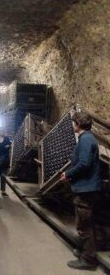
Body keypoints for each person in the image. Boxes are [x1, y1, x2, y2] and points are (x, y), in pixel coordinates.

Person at [61, 112, 101, 271]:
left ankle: (88, 260)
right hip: (87, 187)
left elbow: (84, 164)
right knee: (84, 222)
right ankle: (85, 251)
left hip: (86, 188)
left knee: (84, 225)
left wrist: (68, 174)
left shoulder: (85, 140)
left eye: (73, 123)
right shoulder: (88, 138)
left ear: (77, 124)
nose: (72, 125)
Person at [0, 127, 11, 197]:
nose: (2, 132)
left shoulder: (6, 139)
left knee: (3, 177)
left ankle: (3, 191)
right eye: (0, 131)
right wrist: (4, 147)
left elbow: (8, 147)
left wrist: (0, 147)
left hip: (4, 161)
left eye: (3, 131)